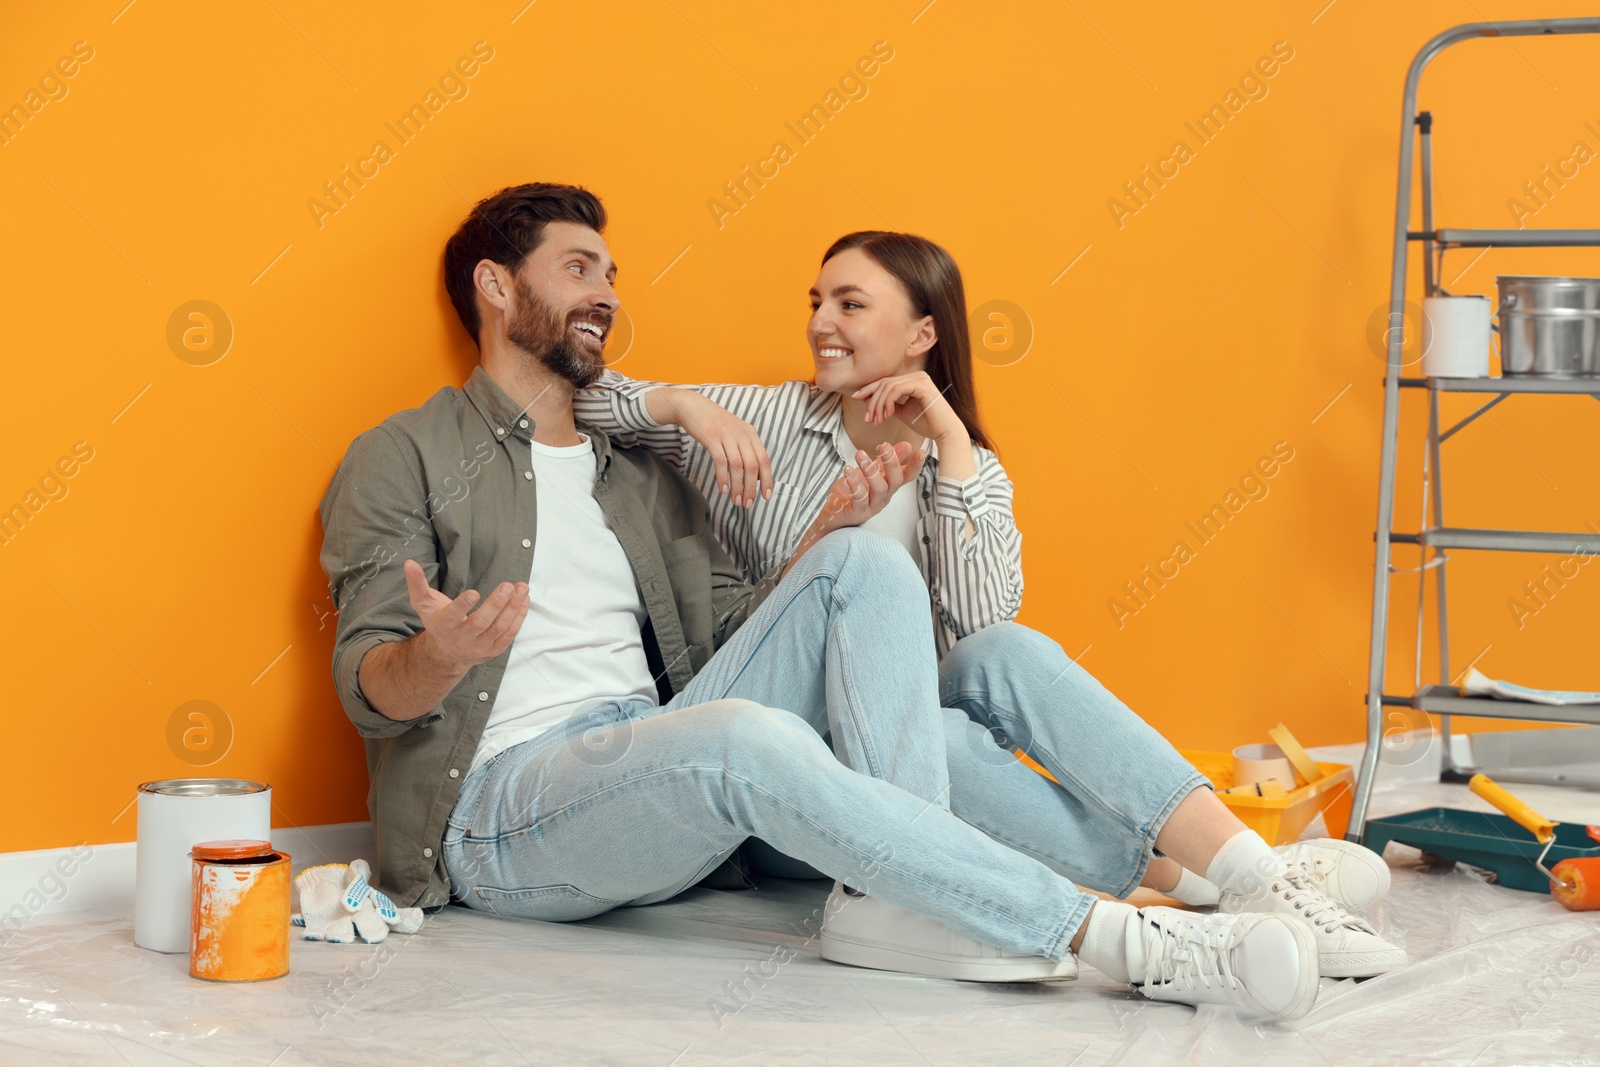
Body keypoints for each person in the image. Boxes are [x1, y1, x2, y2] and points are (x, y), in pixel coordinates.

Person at [318, 182, 1365, 1021]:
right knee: (745, 735)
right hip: (507, 814)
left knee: (866, 565)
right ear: (497, 288)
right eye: (577, 268)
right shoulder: (401, 454)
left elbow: (754, 636)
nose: (605, 293)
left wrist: (824, 539)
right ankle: (1122, 936)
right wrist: (443, 653)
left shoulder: (631, 474)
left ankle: (1193, 873)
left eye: (610, 273)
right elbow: (371, 687)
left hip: (649, 751)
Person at [573, 231, 1400, 936]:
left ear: (923, 332)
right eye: (817, 301)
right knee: (948, 736)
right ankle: (1218, 877)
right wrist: (686, 407)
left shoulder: (969, 469)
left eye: (850, 304)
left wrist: (949, 444)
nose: (820, 322)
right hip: (790, 775)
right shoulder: (770, 417)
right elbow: (582, 395)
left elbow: (983, 623)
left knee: (997, 659)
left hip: (912, 762)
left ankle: (1243, 873)